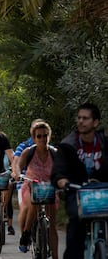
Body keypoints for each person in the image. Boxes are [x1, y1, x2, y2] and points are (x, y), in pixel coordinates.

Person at [51, 103, 108, 259]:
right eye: (79, 118)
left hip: (103, 192)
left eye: (86, 118)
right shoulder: (67, 145)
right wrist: (64, 182)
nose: (81, 121)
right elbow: (57, 173)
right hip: (77, 193)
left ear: (95, 122)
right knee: (76, 227)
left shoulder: (104, 143)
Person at [13, 122, 59, 258]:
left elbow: (63, 169)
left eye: (45, 136)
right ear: (34, 138)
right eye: (39, 136)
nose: (43, 139)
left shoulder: (54, 153)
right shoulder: (29, 152)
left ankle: (55, 256)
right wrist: (16, 174)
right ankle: (26, 232)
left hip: (50, 188)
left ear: (49, 136)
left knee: (53, 226)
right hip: (31, 185)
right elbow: (18, 166)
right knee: (34, 200)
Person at [12, 118, 45, 237]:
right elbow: (16, 162)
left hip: (44, 183)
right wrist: (17, 173)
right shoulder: (24, 146)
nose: (41, 137)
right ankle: (24, 237)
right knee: (25, 209)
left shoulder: (49, 149)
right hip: (26, 182)